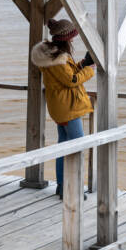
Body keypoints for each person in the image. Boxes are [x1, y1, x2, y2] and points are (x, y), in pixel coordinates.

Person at [30, 18, 96, 199]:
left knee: (64, 146)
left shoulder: (53, 55)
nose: (73, 41)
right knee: (76, 147)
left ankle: (61, 186)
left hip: (60, 106)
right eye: (72, 37)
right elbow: (71, 80)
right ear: (65, 39)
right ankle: (72, 189)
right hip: (68, 107)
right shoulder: (58, 59)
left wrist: (82, 64)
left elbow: (69, 73)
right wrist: (90, 70)